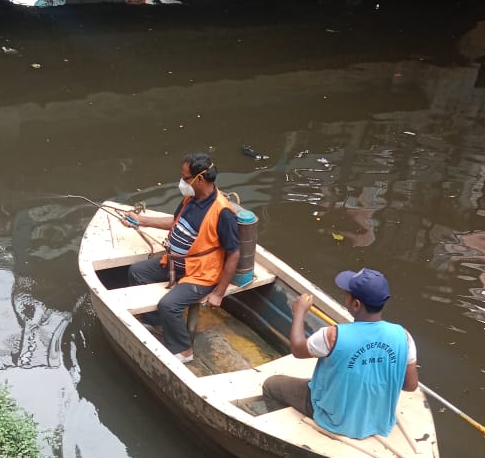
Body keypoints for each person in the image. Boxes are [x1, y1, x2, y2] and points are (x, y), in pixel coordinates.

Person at [263, 268, 419, 439]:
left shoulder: (332, 335)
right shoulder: (404, 336)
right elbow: (410, 386)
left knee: (271, 386)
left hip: (334, 420)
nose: (345, 297)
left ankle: (281, 435)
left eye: (347, 295)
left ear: (356, 304)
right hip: (379, 421)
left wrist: (299, 312)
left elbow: (297, 349)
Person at [122, 153, 240, 362]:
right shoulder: (190, 198)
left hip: (202, 273)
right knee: (137, 272)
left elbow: (234, 253)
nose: (181, 182)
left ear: (199, 179)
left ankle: (184, 351)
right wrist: (141, 220)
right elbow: (174, 222)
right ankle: (156, 323)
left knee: (169, 305)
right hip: (177, 262)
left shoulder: (223, 212)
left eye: (185, 178)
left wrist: (219, 293)